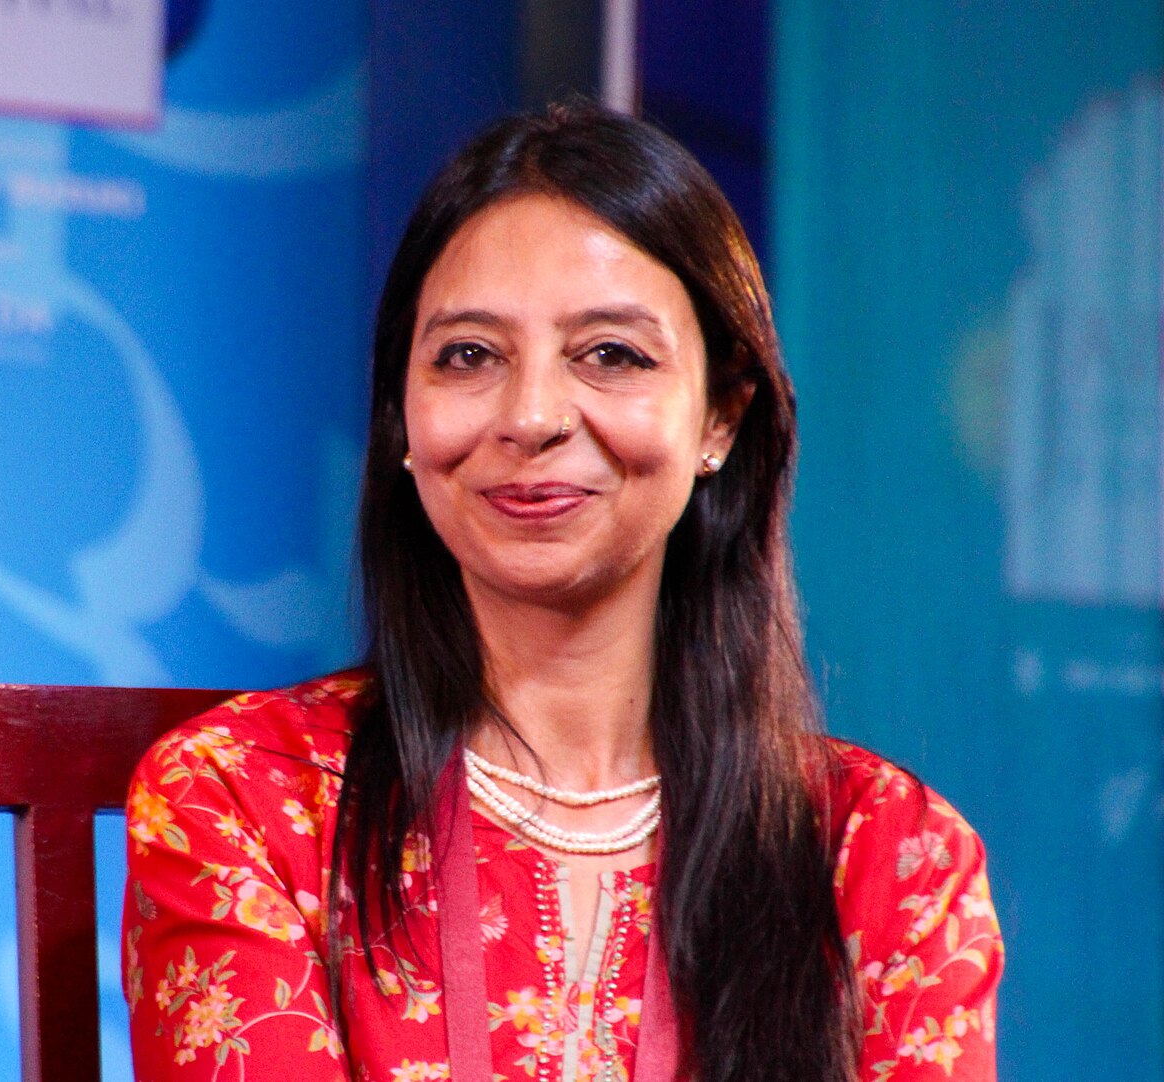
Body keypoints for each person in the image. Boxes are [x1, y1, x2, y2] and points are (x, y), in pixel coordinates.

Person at [120, 101, 1002, 1082]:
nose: (532, 414)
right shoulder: (245, 799)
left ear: (720, 416)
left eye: (611, 354)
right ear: (402, 414)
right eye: (468, 355)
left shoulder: (889, 857)